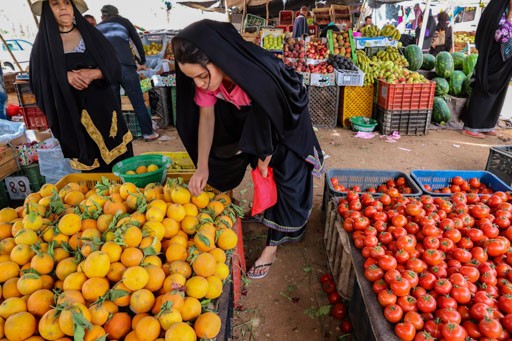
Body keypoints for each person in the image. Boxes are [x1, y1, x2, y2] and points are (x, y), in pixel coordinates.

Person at [172, 20, 324, 279]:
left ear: (218, 59)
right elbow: (207, 119)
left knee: (285, 178)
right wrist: (202, 165)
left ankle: (272, 247)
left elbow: (276, 116)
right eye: (192, 78)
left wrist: (266, 157)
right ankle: (272, 219)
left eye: (202, 75)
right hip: (257, 129)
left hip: (286, 128)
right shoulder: (209, 84)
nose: (199, 84)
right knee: (264, 176)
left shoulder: (260, 73)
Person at [29, 0, 133, 172]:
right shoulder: (43, 46)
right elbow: (37, 81)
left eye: (67, 3)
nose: (63, 7)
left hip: (105, 111)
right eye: (56, 4)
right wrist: (64, 77)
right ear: (48, 11)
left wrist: (94, 73)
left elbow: (114, 67)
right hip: (73, 115)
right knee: (94, 173)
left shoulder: (91, 35)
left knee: (122, 166)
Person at [96, 4, 159, 142]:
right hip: (125, 66)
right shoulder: (124, 21)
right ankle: (148, 133)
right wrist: (141, 61)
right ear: (117, 14)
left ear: (103, 16)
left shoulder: (97, 28)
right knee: (137, 102)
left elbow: (96, 51)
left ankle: (119, 138)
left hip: (108, 70)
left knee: (114, 106)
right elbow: (136, 42)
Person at [461, 0, 512, 138]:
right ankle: (472, 126)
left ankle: (486, 125)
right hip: (494, 57)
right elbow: (500, 36)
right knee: (485, 88)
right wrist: (510, 16)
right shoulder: (499, 11)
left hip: (505, 60)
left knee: (498, 92)